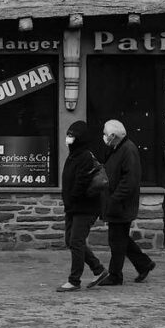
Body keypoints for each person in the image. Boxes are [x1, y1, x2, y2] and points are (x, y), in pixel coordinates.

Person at [89, 119, 156, 287]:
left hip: (121, 204)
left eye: (105, 134)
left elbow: (129, 181)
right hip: (117, 202)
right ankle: (144, 264)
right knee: (120, 239)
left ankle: (115, 275)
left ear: (113, 136)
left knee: (116, 240)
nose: (103, 137)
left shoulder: (128, 150)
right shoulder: (117, 148)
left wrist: (114, 199)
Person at [57, 121, 108, 291]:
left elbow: (81, 182)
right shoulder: (73, 155)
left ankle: (74, 280)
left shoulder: (85, 156)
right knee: (70, 241)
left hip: (85, 207)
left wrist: (72, 198)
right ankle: (98, 269)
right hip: (73, 207)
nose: (68, 139)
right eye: (68, 135)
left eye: (72, 136)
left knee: (76, 241)